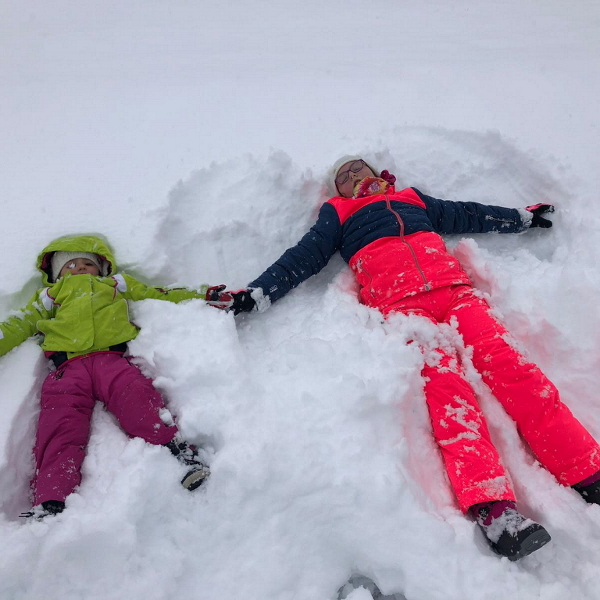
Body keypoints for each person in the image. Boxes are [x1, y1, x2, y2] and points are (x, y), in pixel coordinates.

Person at [205, 155, 600, 561]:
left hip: (456, 294)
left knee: (517, 372)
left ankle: (588, 470)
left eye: (359, 168)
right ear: (336, 191)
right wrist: (255, 295)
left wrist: (521, 218)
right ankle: (495, 511)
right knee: (451, 400)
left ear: (378, 174)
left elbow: (468, 214)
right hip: (405, 311)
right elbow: (300, 258)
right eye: (344, 176)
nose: (354, 176)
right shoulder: (337, 215)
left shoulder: (412, 199)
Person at [0, 234, 213, 520]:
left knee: (138, 399)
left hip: (110, 361)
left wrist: (204, 295)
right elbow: (18, 324)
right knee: (59, 426)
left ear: (101, 267)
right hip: (67, 370)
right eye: (69, 265)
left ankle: (177, 451)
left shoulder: (115, 285)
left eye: (86, 263)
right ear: (55, 274)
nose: (78, 269)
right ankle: (51, 499)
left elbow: (161, 294)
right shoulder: (48, 297)